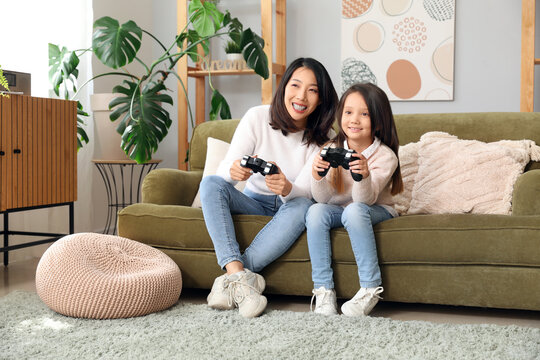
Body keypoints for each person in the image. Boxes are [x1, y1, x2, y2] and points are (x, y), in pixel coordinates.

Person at [199, 57, 338, 318]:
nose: (301, 96)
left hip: (290, 209)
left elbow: (310, 193)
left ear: (321, 99)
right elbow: (226, 169)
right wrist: (233, 171)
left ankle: (231, 280)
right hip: (252, 202)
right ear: (284, 87)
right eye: (295, 86)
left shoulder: (326, 140)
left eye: (312, 90)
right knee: (211, 183)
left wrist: (287, 187)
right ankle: (238, 275)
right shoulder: (257, 117)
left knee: (305, 205)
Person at [306, 82, 403, 316]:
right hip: (342, 209)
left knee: (354, 210)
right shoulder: (331, 148)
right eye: (348, 112)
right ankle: (323, 291)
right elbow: (322, 198)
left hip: (376, 209)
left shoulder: (385, 156)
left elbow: (365, 201)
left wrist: (362, 175)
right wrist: (318, 175)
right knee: (315, 211)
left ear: (378, 120)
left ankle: (370, 288)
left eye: (364, 114)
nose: (354, 120)